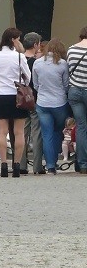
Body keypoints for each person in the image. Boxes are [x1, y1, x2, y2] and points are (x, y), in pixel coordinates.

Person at [0, 27, 31, 178]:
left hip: (1, 95)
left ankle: (4, 165)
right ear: (13, 40)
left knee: (2, 132)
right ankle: (17, 165)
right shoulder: (19, 57)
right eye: (18, 39)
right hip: (16, 95)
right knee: (19, 132)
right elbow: (28, 77)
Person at [33, 38, 69, 174]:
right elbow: (66, 85)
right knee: (57, 132)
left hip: (42, 103)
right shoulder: (62, 64)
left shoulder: (37, 63)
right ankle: (54, 160)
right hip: (59, 102)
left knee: (46, 134)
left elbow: (35, 85)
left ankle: (50, 166)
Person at [22, 32, 44, 174]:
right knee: (36, 133)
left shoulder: (18, 59)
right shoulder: (37, 62)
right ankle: (37, 166)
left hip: (21, 99)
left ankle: (21, 164)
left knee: (21, 133)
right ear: (35, 44)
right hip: (34, 99)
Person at [66, 26, 87, 174]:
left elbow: (68, 70)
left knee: (80, 127)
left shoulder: (71, 49)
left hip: (74, 91)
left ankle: (82, 164)